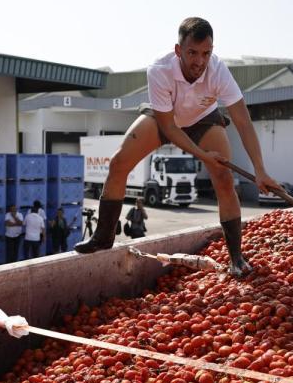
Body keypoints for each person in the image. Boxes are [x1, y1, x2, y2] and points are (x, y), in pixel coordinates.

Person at [74, 17, 282, 276]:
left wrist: (260, 169)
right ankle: (102, 238)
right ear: (178, 50)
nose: (200, 61)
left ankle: (236, 258)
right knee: (118, 163)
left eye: (206, 53)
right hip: (166, 118)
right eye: (192, 53)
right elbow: (170, 128)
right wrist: (203, 155)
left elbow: (243, 121)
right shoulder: (159, 69)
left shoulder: (218, 71)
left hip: (204, 119)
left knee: (224, 178)